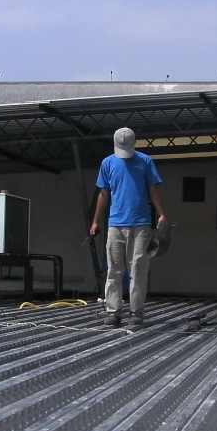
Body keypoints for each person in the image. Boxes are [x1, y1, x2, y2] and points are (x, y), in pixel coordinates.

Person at [90, 127, 167, 327]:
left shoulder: (145, 161)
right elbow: (103, 194)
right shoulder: (107, 163)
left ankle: (136, 313)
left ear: (134, 144)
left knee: (138, 269)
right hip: (115, 224)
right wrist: (96, 221)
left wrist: (162, 214)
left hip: (141, 224)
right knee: (114, 270)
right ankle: (114, 312)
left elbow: (153, 190)